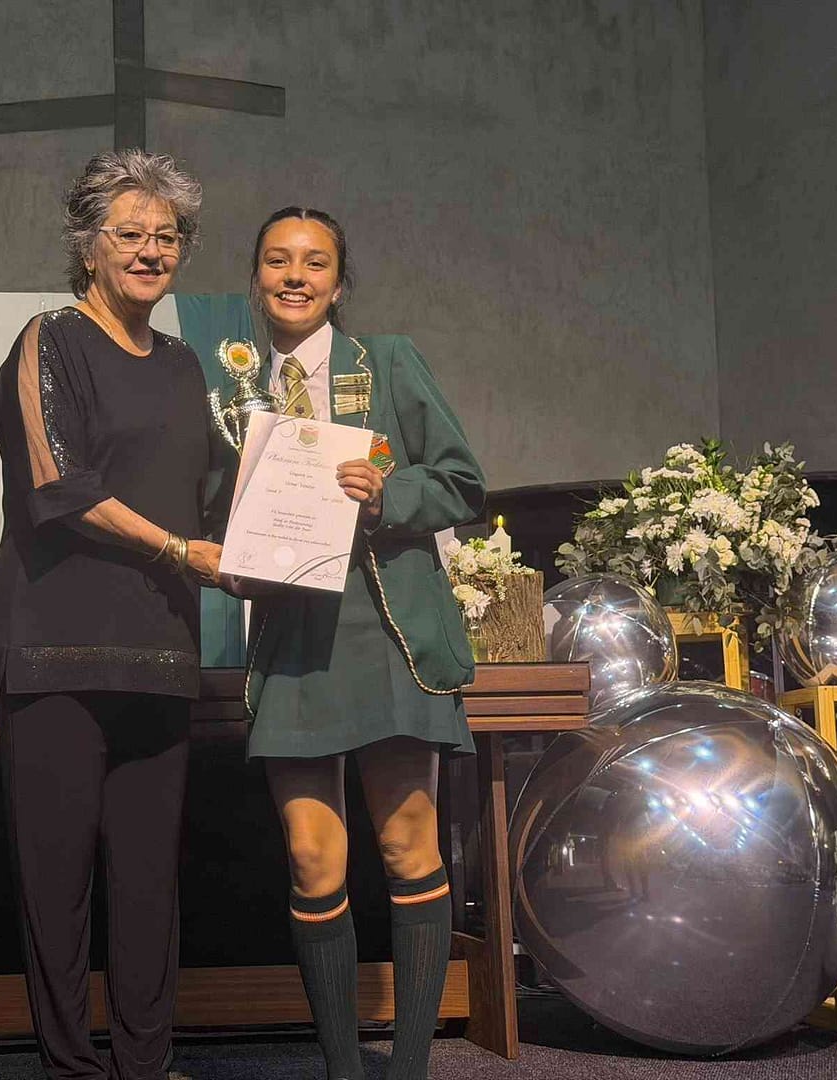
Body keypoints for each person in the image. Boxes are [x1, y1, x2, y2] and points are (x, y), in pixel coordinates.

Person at [0, 149, 222, 1080]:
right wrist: (180, 551)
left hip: (161, 650)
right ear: (88, 246)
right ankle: (71, 1069)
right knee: (57, 887)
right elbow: (61, 486)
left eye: (168, 236)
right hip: (57, 650)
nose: (150, 250)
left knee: (150, 884)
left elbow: (218, 493)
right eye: (130, 234)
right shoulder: (51, 338)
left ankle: (146, 1066)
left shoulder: (186, 364)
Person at [235, 207, 485, 1080]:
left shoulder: (389, 361)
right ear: (257, 277)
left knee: (408, 847)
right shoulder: (233, 387)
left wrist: (386, 496)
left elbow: (462, 483)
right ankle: (344, 1069)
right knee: (312, 860)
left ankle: (408, 1068)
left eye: (315, 263)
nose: (295, 276)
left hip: (386, 631)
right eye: (278, 260)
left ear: (339, 284)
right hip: (292, 638)